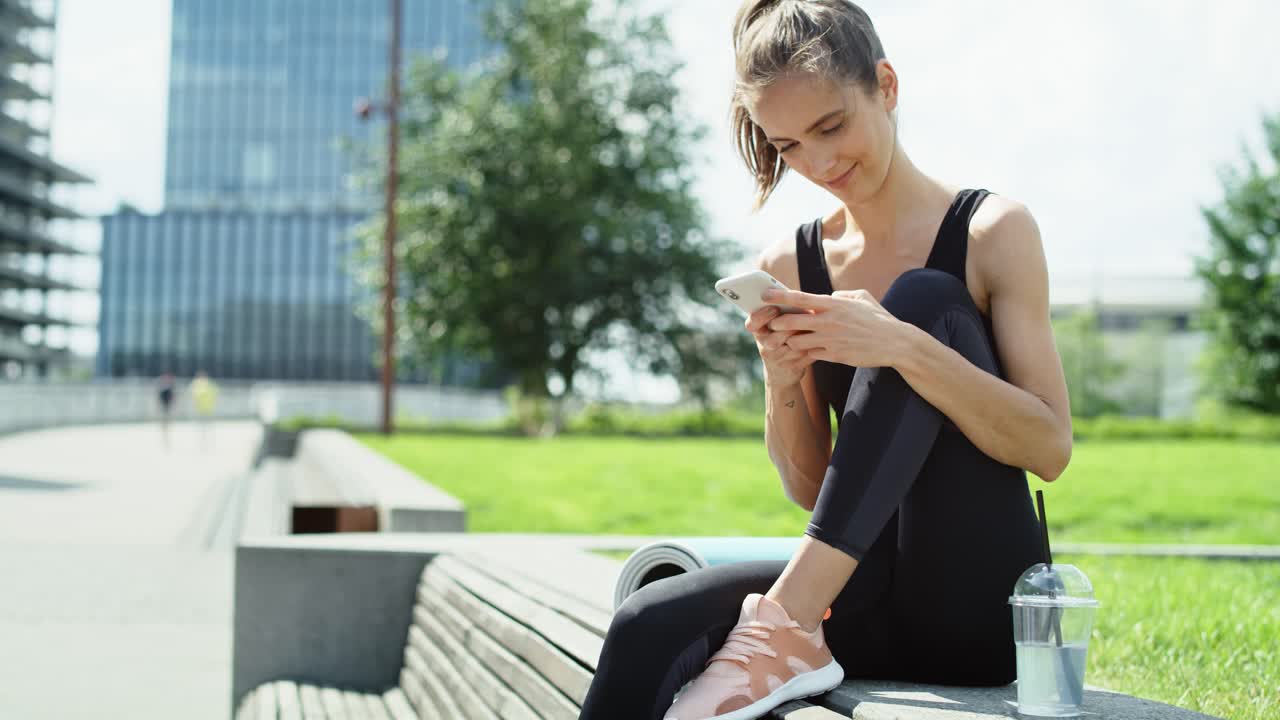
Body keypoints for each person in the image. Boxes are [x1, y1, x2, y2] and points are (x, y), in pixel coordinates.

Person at [578, 2, 1073, 719]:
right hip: (858, 600)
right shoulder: (792, 262)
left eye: (831, 127)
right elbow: (817, 493)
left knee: (925, 299)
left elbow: (1049, 447)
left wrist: (902, 345)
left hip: (980, 612)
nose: (818, 163)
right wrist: (783, 382)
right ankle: (786, 629)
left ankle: (782, 626)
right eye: (787, 147)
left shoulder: (993, 232)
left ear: (887, 86)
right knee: (645, 622)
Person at [188, 370, 219, 449]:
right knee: (202, 426)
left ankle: (205, 441)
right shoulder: (200, 384)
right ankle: (203, 441)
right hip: (202, 408)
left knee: (205, 426)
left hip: (206, 408)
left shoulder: (201, 384)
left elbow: (214, 394)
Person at [156, 372, 176, 449]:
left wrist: (173, 405)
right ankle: (164, 433)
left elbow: (173, 397)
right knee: (163, 421)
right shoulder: (161, 387)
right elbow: (158, 398)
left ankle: (167, 432)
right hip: (163, 407)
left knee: (167, 421)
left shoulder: (170, 387)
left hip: (168, 407)